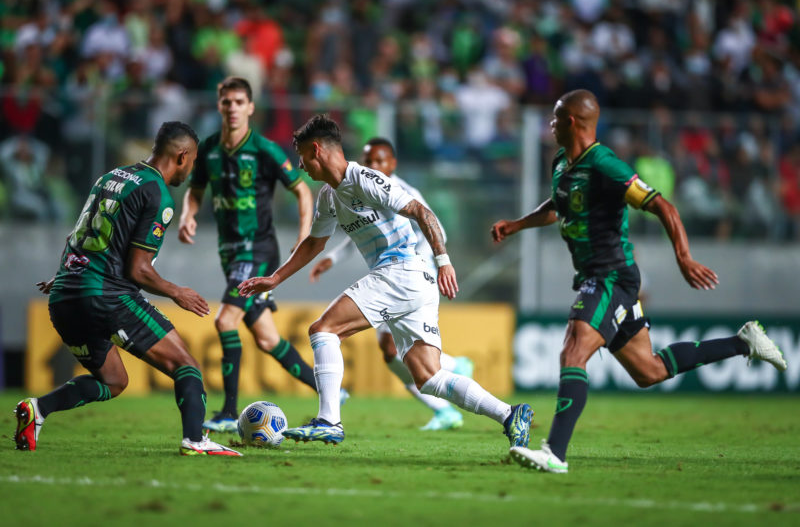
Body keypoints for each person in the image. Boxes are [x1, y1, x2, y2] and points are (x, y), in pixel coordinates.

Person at [491, 89, 787, 474]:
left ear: (572, 122)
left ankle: (555, 453)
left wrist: (683, 257)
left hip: (611, 275)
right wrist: (517, 225)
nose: (549, 123)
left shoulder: (606, 165)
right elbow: (558, 206)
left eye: (555, 116)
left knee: (573, 350)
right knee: (648, 371)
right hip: (597, 275)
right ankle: (743, 342)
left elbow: (662, 205)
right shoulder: (563, 162)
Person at [238, 114, 533, 448]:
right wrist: (275, 278)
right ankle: (511, 414)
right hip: (413, 281)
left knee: (323, 330)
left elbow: (423, 212)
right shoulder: (328, 197)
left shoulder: (364, 178)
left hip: (402, 272)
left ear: (316, 149)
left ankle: (329, 420)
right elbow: (313, 244)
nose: (302, 165)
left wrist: (445, 261)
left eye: (303, 156)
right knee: (429, 377)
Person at [15, 121, 240, 456]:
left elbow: (78, 234)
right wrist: (176, 291)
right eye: (193, 162)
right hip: (106, 295)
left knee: (113, 381)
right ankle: (195, 439)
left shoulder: (110, 177)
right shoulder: (157, 194)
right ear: (181, 156)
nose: (191, 171)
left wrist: (66, 276)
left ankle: (38, 409)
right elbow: (139, 271)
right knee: (186, 366)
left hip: (65, 295)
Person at [178, 77, 321, 433]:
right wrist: (188, 214)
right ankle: (331, 391)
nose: (232, 108)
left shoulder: (265, 150)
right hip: (229, 252)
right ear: (219, 105)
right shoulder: (208, 149)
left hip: (258, 249)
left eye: (239, 102)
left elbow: (303, 191)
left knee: (225, 321)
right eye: (226, 102)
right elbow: (194, 190)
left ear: (250, 107)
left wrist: (304, 234)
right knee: (267, 338)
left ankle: (228, 413)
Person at [309, 137, 474, 431]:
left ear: (392, 164)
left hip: (410, 275)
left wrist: (427, 264)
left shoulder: (401, 191)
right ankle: (445, 400)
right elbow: (358, 229)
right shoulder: (358, 187)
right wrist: (331, 259)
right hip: (392, 273)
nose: (373, 166)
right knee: (392, 354)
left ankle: (452, 368)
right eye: (369, 161)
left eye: (379, 161)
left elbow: (436, 227)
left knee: (392, 350)